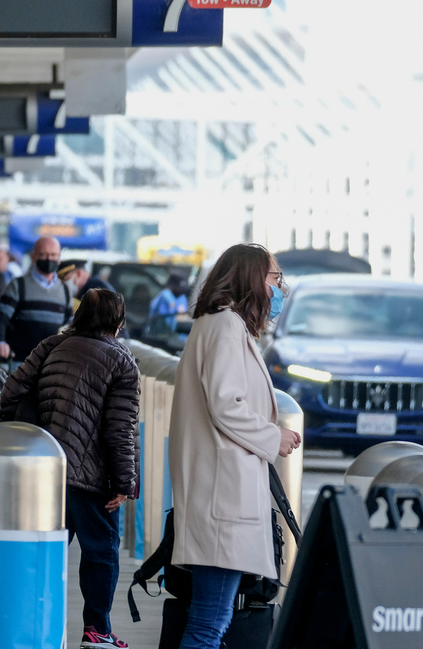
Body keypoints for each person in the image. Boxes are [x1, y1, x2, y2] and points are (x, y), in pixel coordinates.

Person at [168, 244, 302, 649]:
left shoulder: (218, 324)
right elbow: (227, 405)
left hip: (220, 497)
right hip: (223, 502)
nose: (280, 288)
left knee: (213, 618)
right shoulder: (225, 326)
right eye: (274, 278)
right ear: (249, 278)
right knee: (210, 623)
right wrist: (271, 436)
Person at [0, 289, 140, 649]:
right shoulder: (122, 362)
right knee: (102, 551)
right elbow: (119, 428)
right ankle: (97, 630)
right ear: (118, 322)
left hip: (44, 470)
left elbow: (8, 394)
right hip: (91, 477)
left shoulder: (51, 345)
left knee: (46, 552)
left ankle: (32, 624)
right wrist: (125, 480)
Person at [0, 237, 73, 363]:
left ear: (59, 257)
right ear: (33, 257)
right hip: (20, 361)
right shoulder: (19, 285)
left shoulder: (65, 289)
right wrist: (0, 341)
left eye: (53, 255)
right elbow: (0, 318)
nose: (49, 259)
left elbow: (69, 324)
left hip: (50, 363)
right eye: (43, 254)